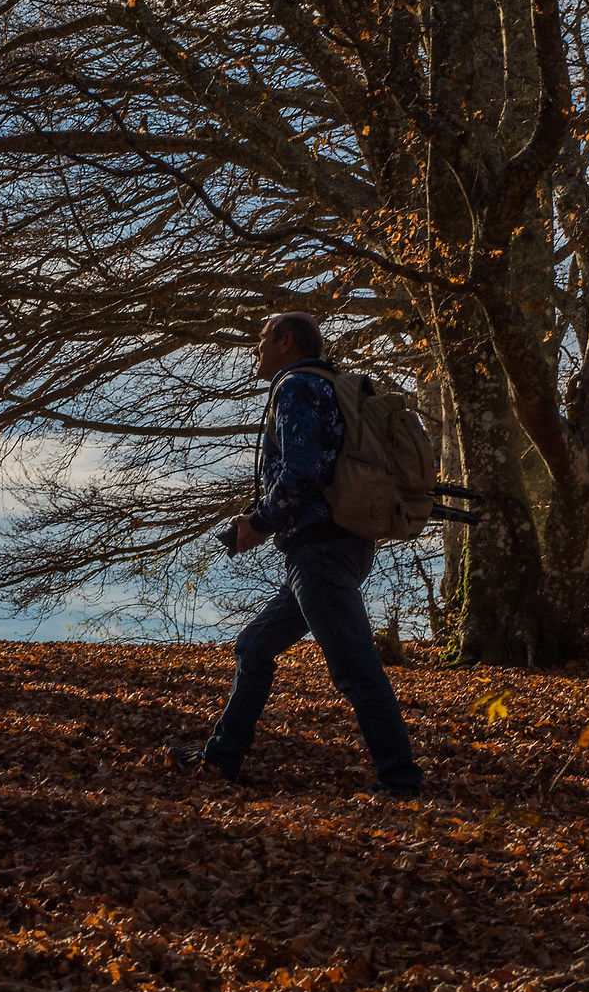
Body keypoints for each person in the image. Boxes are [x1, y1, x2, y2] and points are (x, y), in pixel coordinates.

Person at [171, 312, 425, 797]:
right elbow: (314, 470)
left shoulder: (295, 387)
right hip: (333, 547)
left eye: (262, 339)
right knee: (255, 646)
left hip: (320, 551)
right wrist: (265, 519)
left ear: (287, 342)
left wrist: (258, 523)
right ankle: (221, 760)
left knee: (354, 666)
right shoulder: (330, 385)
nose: (255, 349)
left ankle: (401, 781)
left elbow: (300, 472)